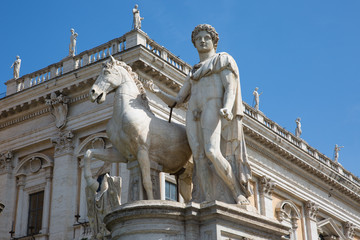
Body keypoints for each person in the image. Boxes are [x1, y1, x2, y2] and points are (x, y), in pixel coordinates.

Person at [150, 24, 252, 205]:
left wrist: (227, 107)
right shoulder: (194, 72)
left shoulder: (222, 60)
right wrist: (157, 91)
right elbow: (178, 100)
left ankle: (237, 193)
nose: (202, 41)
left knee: (212, 151)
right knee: (198, 157)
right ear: (194, 44)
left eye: (206, 38)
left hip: (213, 107)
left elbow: (231, 87)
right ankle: (205, 198)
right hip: (193, 113)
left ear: (214, 41)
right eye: (198, 39)